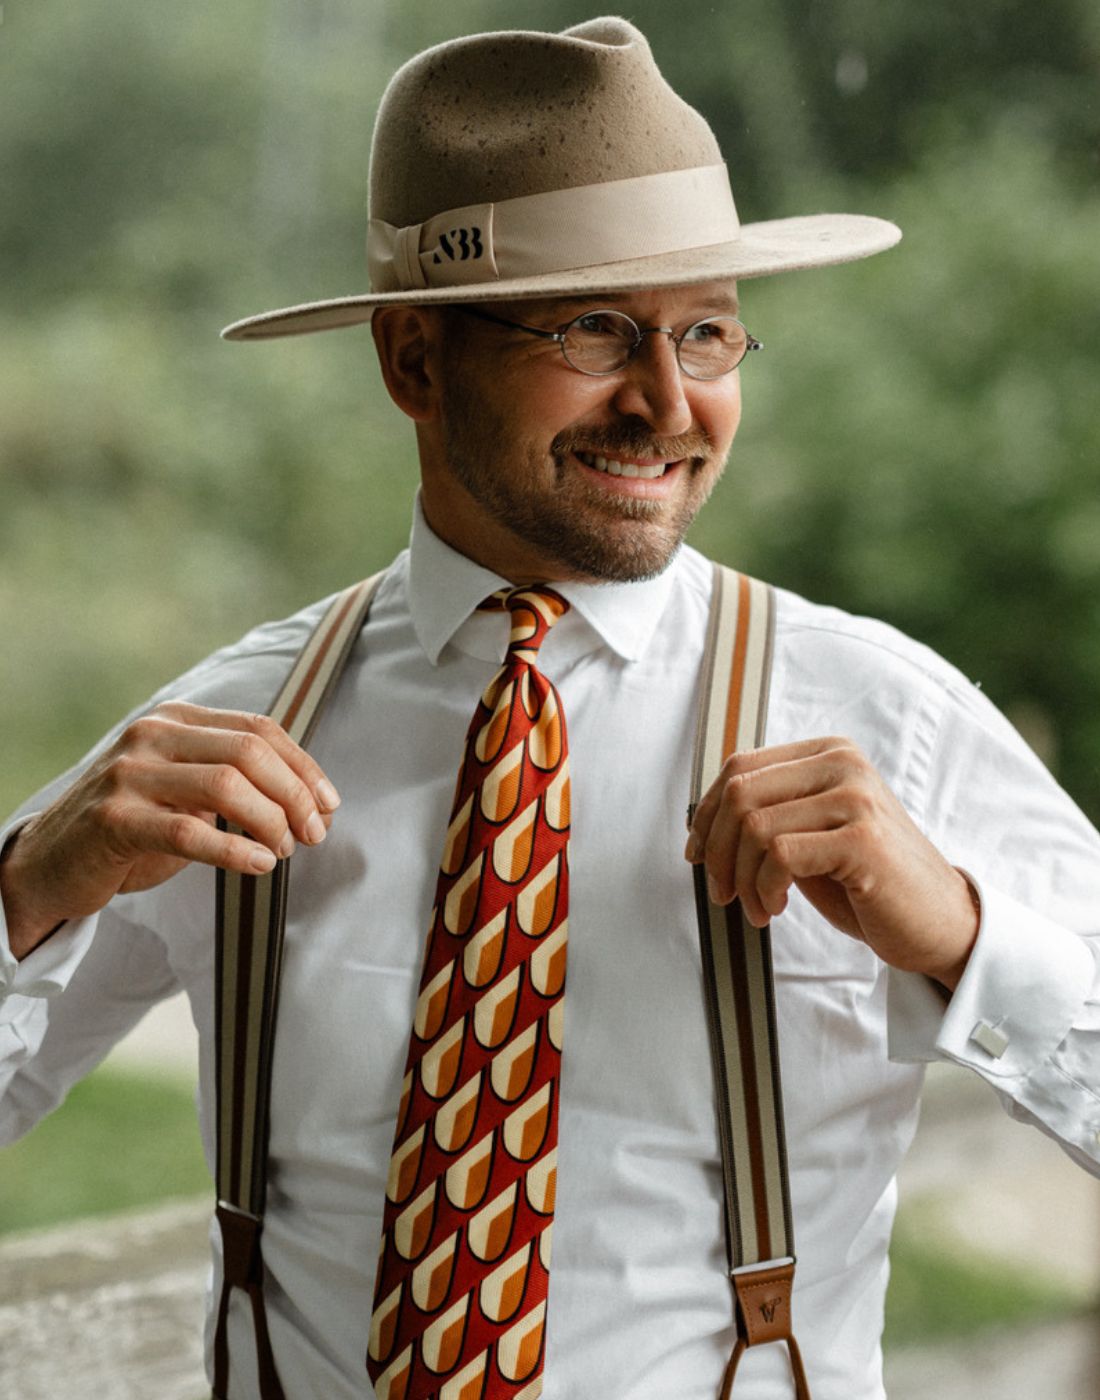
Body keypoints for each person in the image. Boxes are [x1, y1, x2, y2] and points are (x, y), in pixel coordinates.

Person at [1, 16, 1098, 1400]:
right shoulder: (231, 726)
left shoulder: (885, 716)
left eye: (706, 331)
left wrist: (959, 935)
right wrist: (30, 887)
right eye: (593, 329)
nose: (666, 401)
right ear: (413, 362)